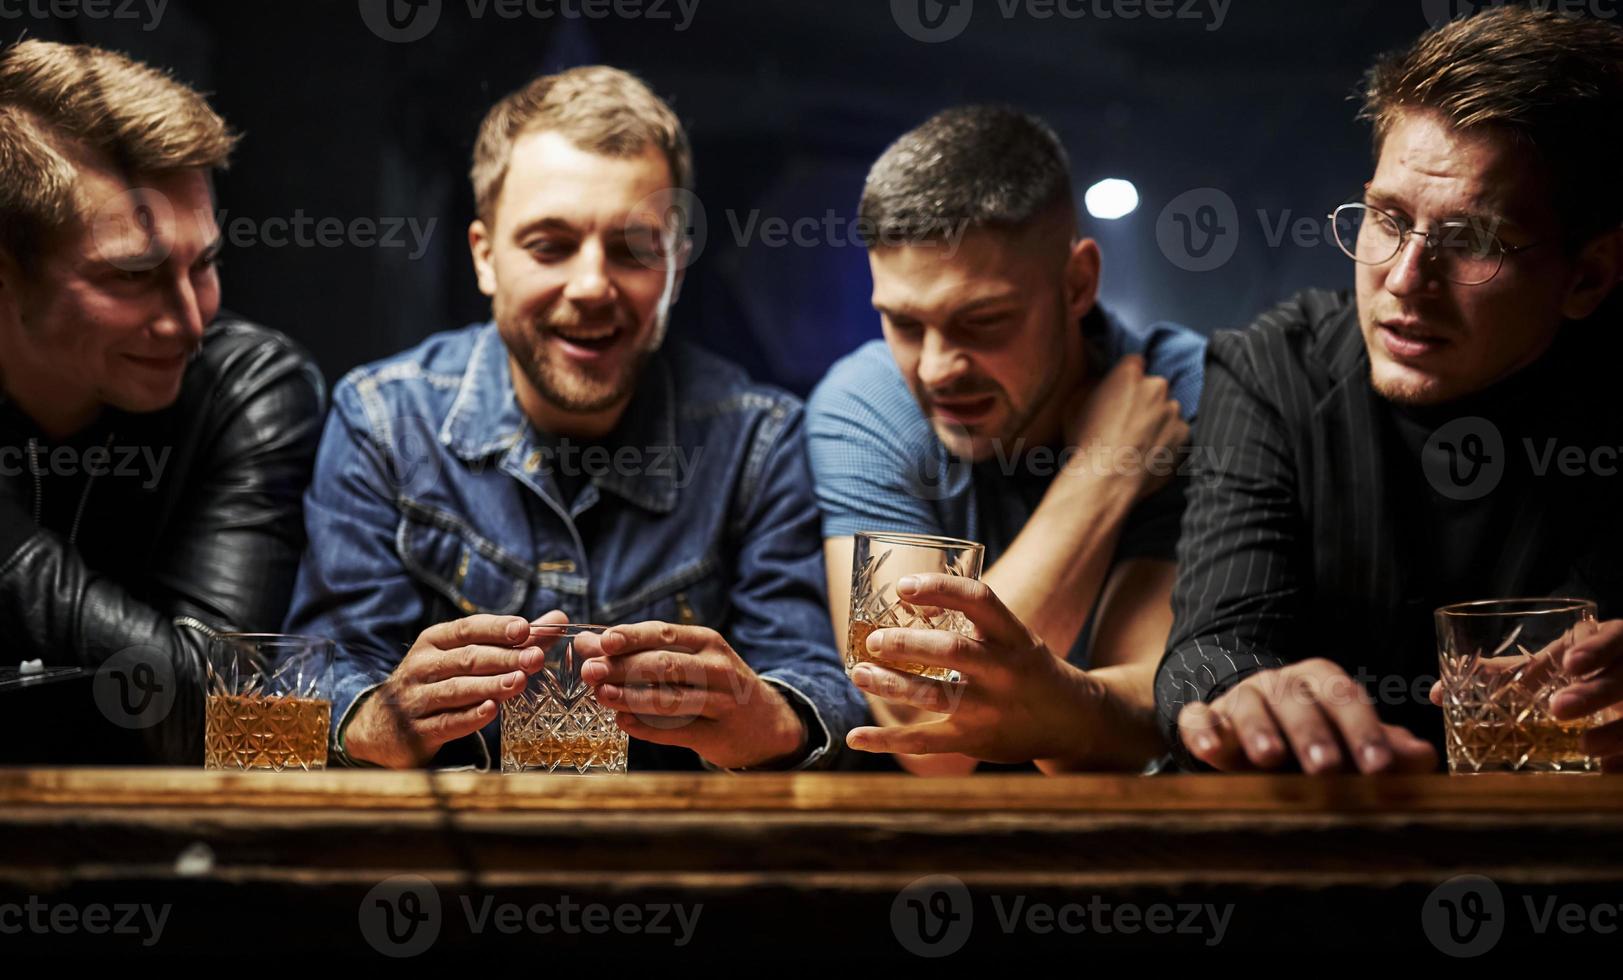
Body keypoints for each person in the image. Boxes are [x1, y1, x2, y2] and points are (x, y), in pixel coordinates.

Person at [283, 66, 863, 771]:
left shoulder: (758, 440)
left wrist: (769, 714)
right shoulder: (380, 417)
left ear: (677, 266)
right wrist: (372, 715)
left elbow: (815, 683)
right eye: (549, 245)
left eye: (633, 249)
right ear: (485, 257)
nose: (591, 286)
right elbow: (316, 677)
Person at [1156, 6, 1623, 774]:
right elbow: (1211, 642)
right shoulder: (1275, 366)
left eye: (1471, 240)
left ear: (1588, 275)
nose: (1404, 282)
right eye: (1386, 218)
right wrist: (1246, 691)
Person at [806, 106, 1205, 774]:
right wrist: (1103, 470)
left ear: (1077, 283)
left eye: (982, 321)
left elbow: (1137, 735)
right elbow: (924, 725)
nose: (935, 369)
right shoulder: (863, 403)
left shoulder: (1185, 390)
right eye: (903, 324)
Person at [0, 40, 324, 763]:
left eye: (204, 264)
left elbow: (215, 709)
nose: (189, 321)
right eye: (133, 275)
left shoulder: (249, 386)